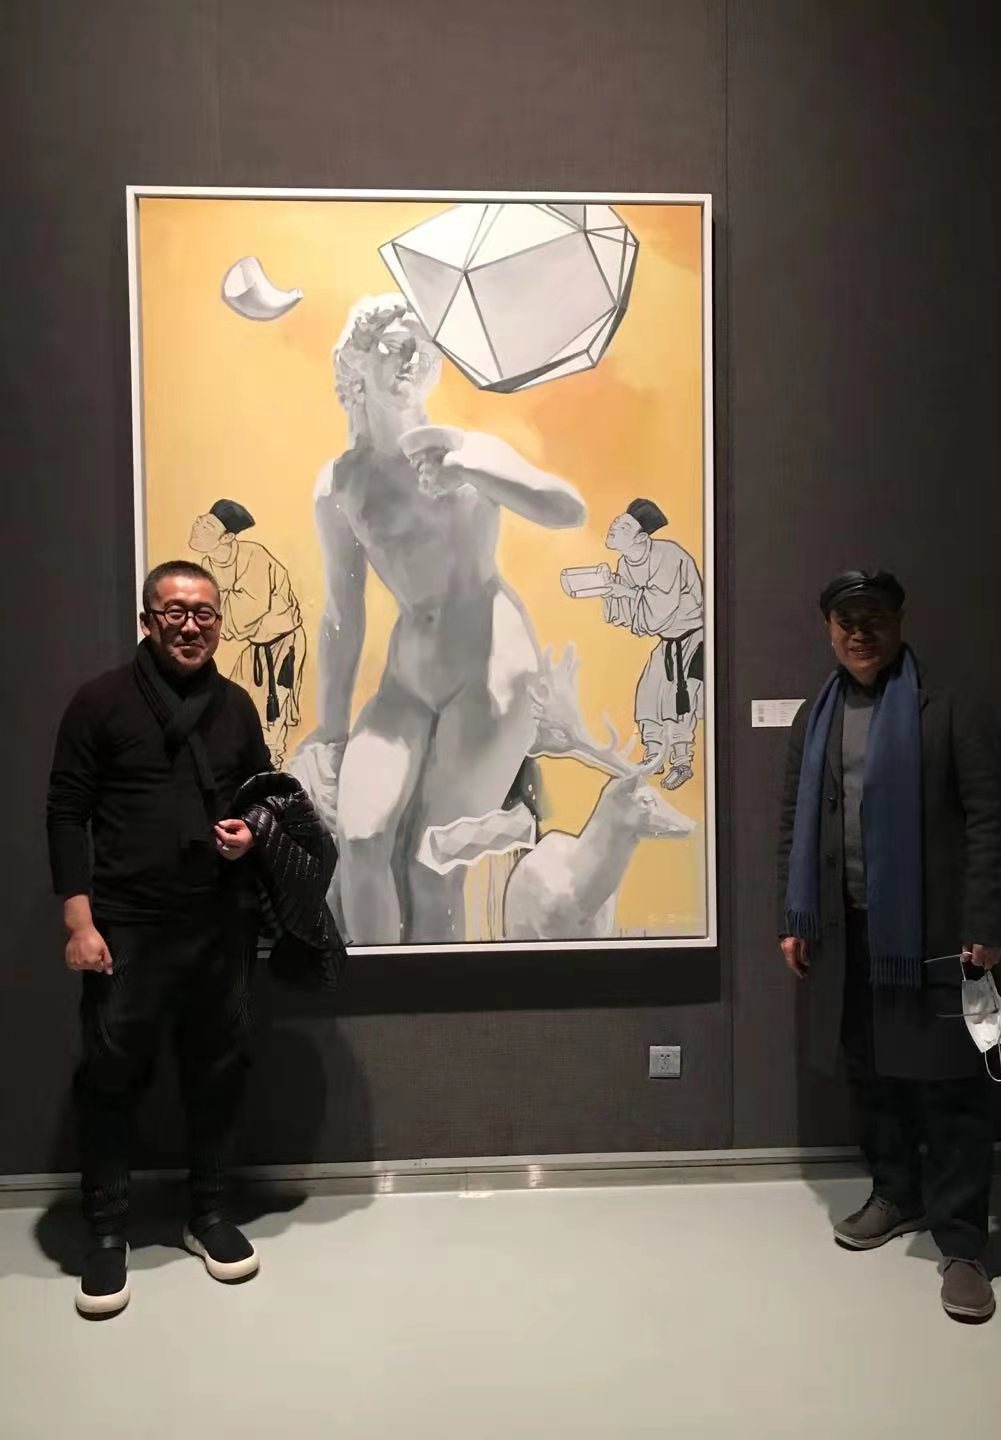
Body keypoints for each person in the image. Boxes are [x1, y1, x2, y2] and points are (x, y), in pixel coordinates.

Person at [290, 293, 585, 946]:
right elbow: (342, 614)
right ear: (357, 361)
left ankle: (433, 1000)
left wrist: (473, 469)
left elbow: (567, 508)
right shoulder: (340, 485)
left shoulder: (469, 448)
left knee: (432, 866)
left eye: (423, 349)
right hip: (409, 676)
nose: (412, 360)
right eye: (397, 346)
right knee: (361, 838)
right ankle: (374, 991)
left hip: (491, 668)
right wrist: (332, 729)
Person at [777, 570, 1001, 1322]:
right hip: (846, 931)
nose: (860, 633)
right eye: (845, 621)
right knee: (870, 1074)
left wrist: (988, 923)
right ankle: (895, 1193)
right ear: (829, 630)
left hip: (936, 935)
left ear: (898, 620)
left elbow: (990, 820)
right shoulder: (814, 717)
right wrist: (793, 916)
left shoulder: (950, 708)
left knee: (950, 1090)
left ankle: (962, 1245)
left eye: (873, 617)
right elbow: (794, 820)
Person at [46, 561, 272, 1317]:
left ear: (219, 624)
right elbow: (66, 811)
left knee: (218, 1072)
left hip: (218, 923)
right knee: (110, 1076)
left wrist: (251, 834)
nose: (190, 624)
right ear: (147, 620)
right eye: (174, 611)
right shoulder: (100, 702)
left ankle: (207, 1213)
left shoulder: (236, 706)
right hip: (126, 926)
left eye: (204, 612)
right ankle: (107, 1231)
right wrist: (79, 922)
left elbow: (264, 797)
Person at [190, 499, 306, 768]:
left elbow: (244, 613)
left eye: (208, 526)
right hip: (256, 647)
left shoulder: (254, 557)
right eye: (201, 520)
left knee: (271, 719)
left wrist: (219, 612)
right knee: (230, 706)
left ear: (228, 537)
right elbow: (211, 612)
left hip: (281, 645)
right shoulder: (207, 565)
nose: (198, 526)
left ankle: (271, 776)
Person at [602, 499, 704, 789]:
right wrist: (608, 588)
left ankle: (682, 763)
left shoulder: (668, 556)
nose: (614, 526)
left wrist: (624, 591)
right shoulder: (625, 562)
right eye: (616, 522)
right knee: (648, 696)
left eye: (624, 526)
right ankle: (654, 757)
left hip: (692, 639)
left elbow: (661, 609)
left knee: (680, 703)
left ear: (642, 538)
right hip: (667, 641)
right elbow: (630, 614)